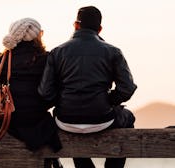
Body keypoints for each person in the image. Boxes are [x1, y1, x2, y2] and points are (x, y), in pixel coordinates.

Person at [38, 6, 137, 168]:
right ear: (99, 29)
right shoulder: (113, 52)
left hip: (66, 120)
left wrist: (63, 100)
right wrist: (109, 101)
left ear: (76, 25)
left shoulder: (57, 52)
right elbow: (127, 88)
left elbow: (45, 92)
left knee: (71, 126)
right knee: (129, 117)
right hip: (102, 118)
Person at [0, 18, 62, 168]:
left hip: (10, 121)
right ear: (36, 37)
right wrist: (40, 104)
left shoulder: (3, 59)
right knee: (48, 129)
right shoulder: (45, 59)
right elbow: (53, 92)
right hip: (37, 119)